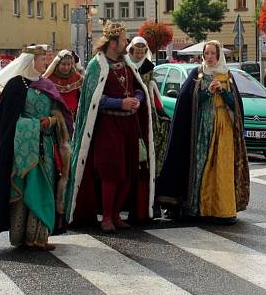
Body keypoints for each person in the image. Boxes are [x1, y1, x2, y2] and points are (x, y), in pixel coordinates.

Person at [0, 45, 72, 250]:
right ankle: (20, 235)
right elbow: (7, 122)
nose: (45, 63)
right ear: (30, 61)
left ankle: (39, 236)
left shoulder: (47, 85)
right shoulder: (16, 86)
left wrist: (51, 121)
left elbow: (59, 113)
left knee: (45, 188)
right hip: (22, 150)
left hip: (46, 147)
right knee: (24, 192)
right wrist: (33, 125)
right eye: (42, 60)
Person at [65, 21, 155, 233]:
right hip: (108, 126)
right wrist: (119, 103)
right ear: (113, 43)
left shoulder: (127, 63)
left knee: (129, 172)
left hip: (129, 125)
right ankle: (105, 216)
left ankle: (116, 214)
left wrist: (137, 99)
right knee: (111, 172)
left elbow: (138, 87)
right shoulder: (96, 66)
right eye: (124, 40)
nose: (126, 43)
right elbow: (93, 100)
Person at [156, 40, 250, 222]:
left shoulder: (227, 75)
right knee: (201, 166)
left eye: (212, 54)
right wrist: (207, 92)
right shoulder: (197, 74)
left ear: (219, 55)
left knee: (222, 168)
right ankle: (198, 208)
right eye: (206, 54)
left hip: (224, 129)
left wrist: (222, 92)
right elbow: (187, 102)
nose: (209, 57)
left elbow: (235, 106)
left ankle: (223, 209)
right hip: (201, 128)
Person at [126, 37, 171, 176]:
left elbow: (152, 88)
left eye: (142, 52)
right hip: (130, 105)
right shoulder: (126, 65)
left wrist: (159, 108)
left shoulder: (148, 67)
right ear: (131, 51)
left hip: (146, 107)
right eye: (137, 52)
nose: (139, 55)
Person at [43, 50, 83, 125]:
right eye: (63, 64)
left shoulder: (77, 77)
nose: (66, 67)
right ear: (58, 64)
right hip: (57, 119)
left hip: (75, 118)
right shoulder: (50, 79)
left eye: (69, 64)